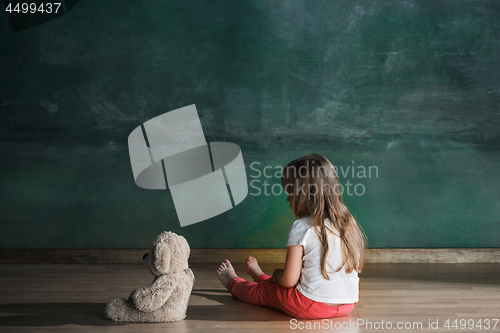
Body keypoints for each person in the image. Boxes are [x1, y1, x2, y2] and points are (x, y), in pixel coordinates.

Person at [216, 153, 367, 319]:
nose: (288, 198)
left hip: (310, 305)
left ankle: (233, 282)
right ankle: (260, 276)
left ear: (306, 194)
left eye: (290, 193)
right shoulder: (348, 223)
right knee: (284, 281)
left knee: (265, 292)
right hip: (347, 304)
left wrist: (279, 275)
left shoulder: (302, 226)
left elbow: (288, 281)